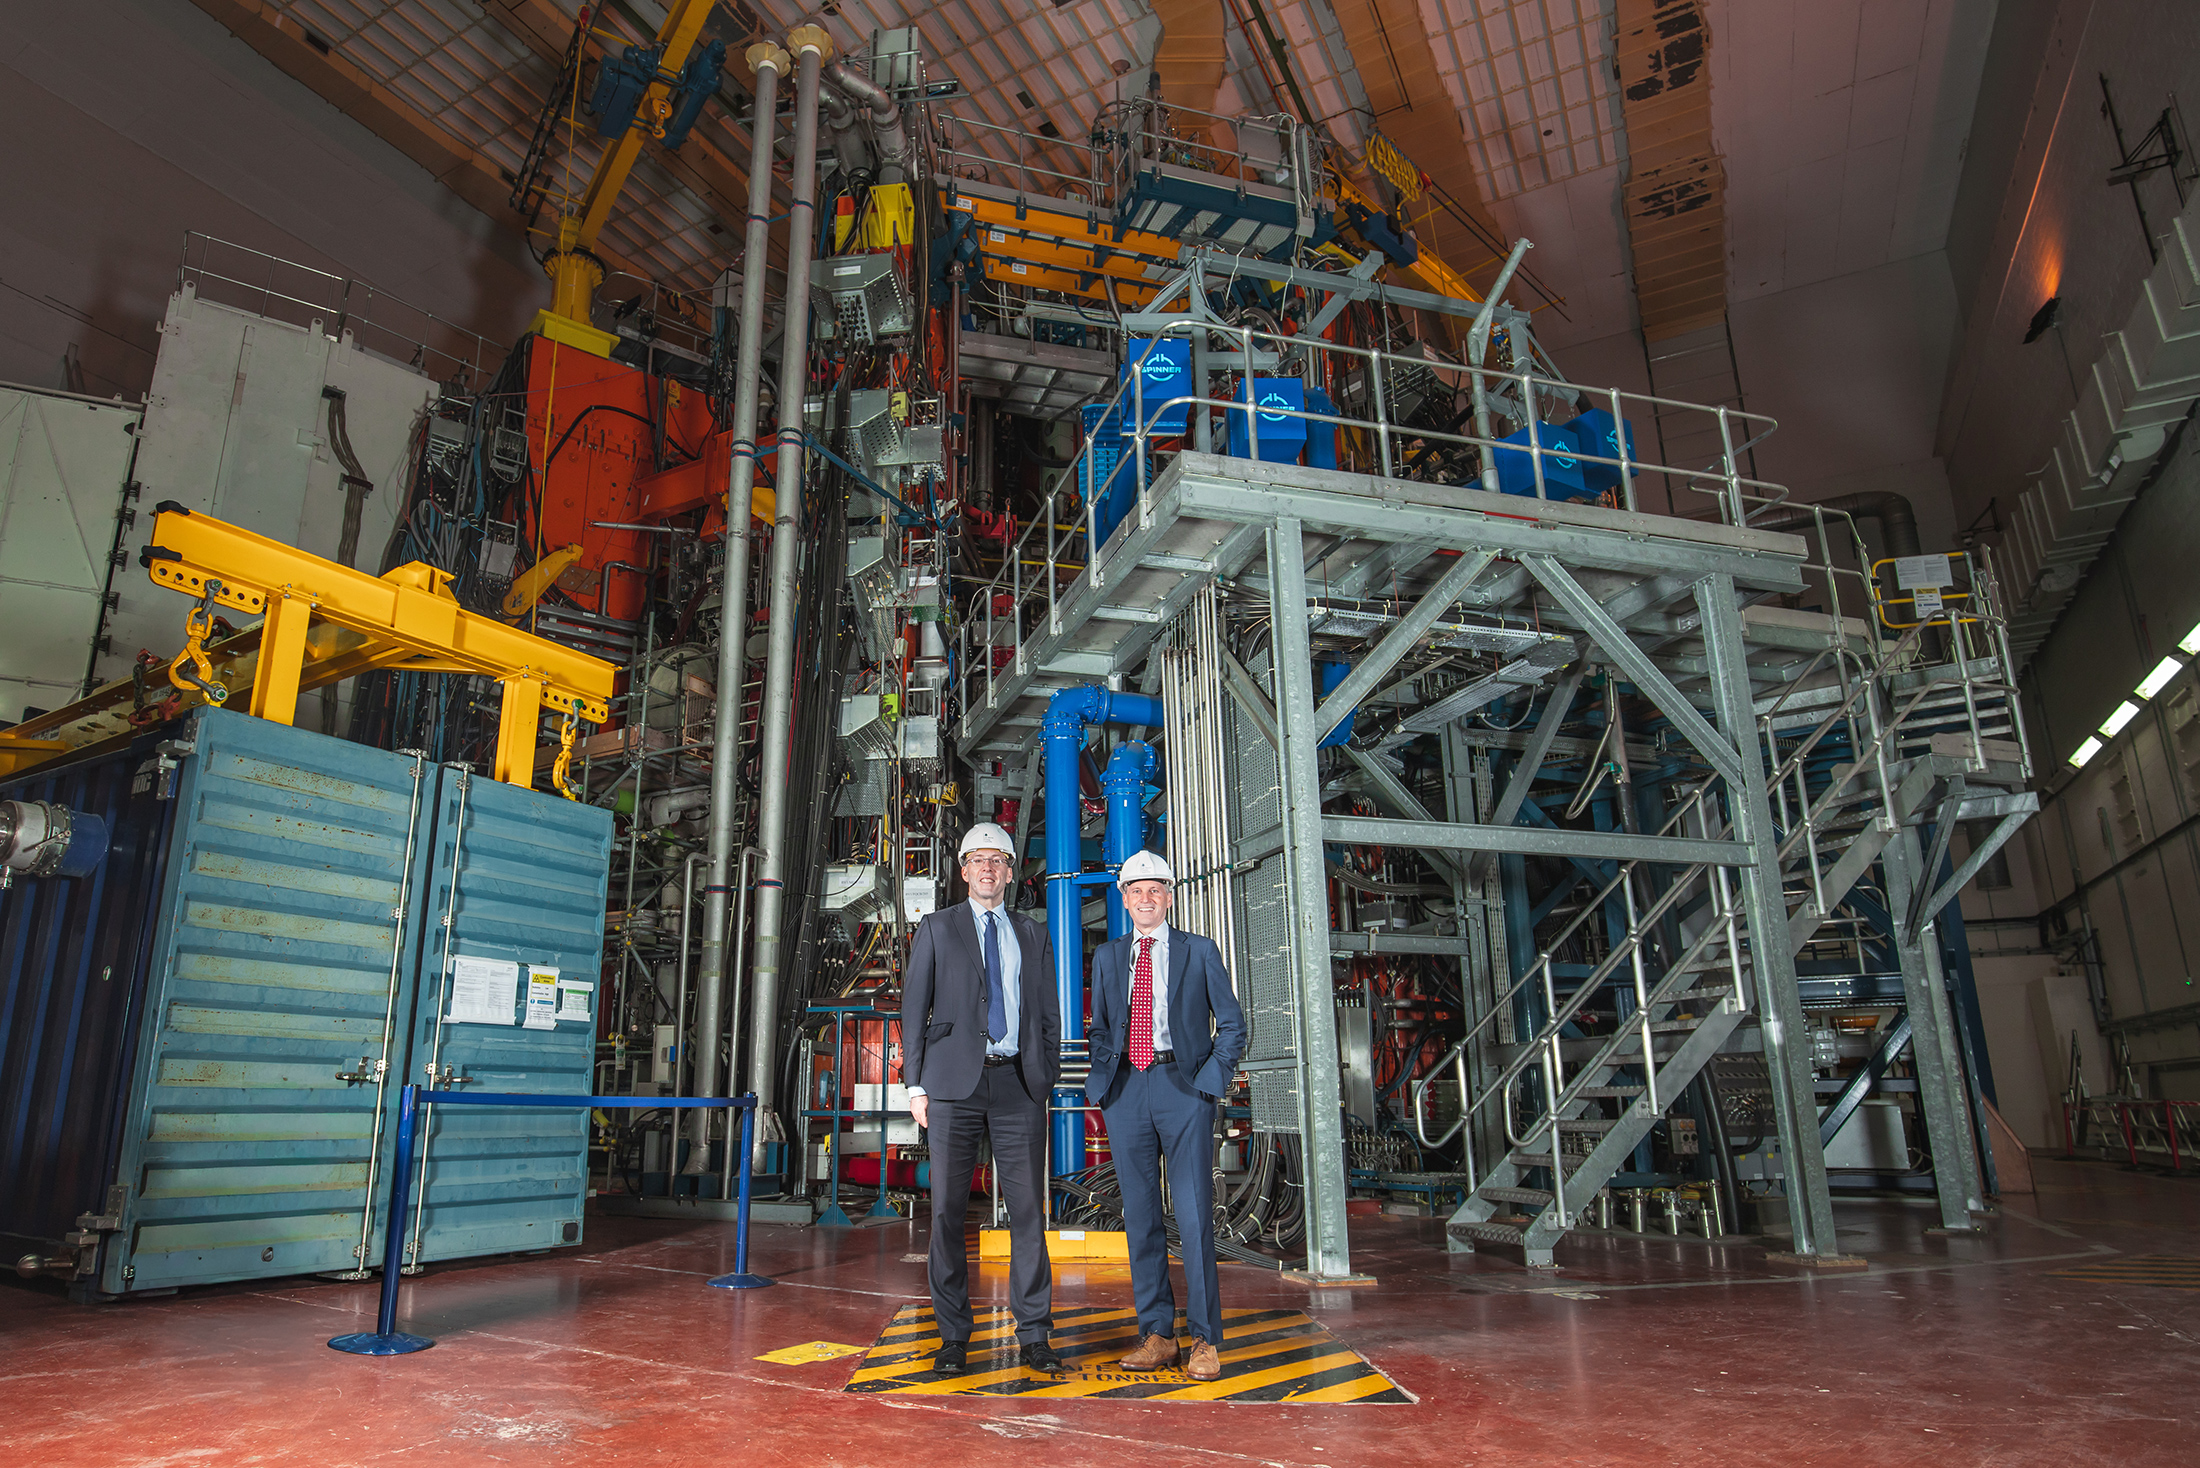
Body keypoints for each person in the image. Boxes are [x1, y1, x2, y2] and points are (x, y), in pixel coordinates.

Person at [900, 822, 1062, 1375]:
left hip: (1018, 1084)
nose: (988, 869)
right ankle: (952, 1335)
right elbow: (913, 1006)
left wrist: (1046, 1071)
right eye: (978, 860)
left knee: (1027, 1214)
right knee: (946, 1211)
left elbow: (1046, 1011)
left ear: (1011, 872)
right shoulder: (937, 927)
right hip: (951, 1087)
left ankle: (1035, 1334)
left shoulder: (1031, 931)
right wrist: (915, 1082)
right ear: (964, 870)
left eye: (998, 860)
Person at [1083, 850, 1247, 1382]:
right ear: (1124, 898)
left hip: (1184, 1087)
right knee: (1141, 1218)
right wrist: (1107, 1081)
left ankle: (1204, 1339)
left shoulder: (1199, 951)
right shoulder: (1108, 956)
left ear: (1169, 896)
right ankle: (1158, 1333)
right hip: (1127, 1091)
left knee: (1196, 1216)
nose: (1146, 898)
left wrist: (1208, 1083)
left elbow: (1232, 1024)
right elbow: (1101, 1028)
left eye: (1155, 889)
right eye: (1136, 890)